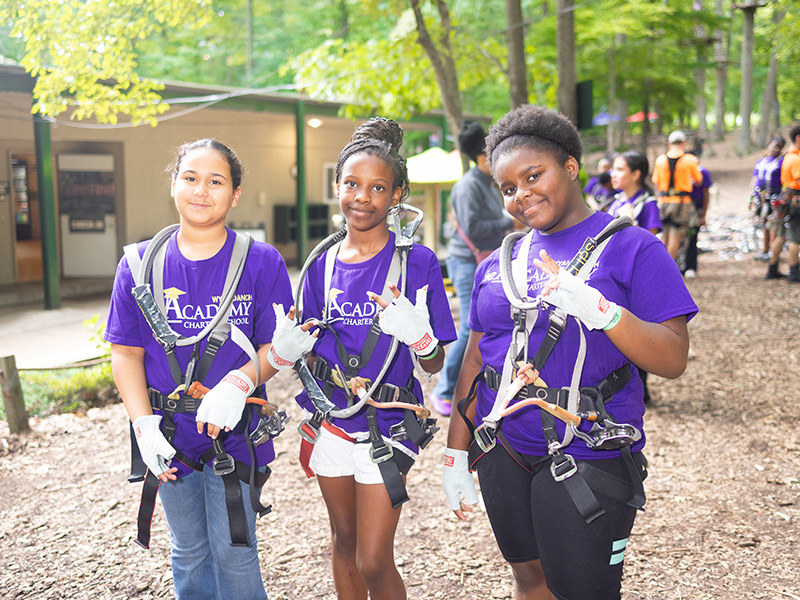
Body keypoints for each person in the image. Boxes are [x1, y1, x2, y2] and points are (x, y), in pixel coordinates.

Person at [442, 105, 697, 600]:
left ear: (571, 167)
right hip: (504, 448)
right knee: (529, 581)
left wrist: (604, 313)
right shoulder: (502, 260)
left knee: (582, 591)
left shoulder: (633, 248)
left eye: (534, 175)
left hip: (590, 447)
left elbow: (672, 359)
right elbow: (476, 361)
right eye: (508, 187)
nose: (522, 195)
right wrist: (456, 450)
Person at [271, 117, 456, 600]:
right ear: (337, 187)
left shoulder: (417, 262)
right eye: (352, 184)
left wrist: (420, 340)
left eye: (377, 187)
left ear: (397, 195)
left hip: (390, 425)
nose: (362, 196)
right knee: (344, 541)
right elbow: (306, 348)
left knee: (373, 559)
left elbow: (436, 365)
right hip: (332, 420)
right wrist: (290, 351)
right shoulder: (320, 263)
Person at [104, 139, 293, 599]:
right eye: (190, 178)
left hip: (236, 429)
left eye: (216, 181)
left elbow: (281, 346)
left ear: (236, 194)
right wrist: (144, 426)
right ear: (173, 185)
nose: (201, 190)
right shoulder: (137, 265)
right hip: (169, 433)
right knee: (188, 551)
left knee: (235, 550)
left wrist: (239, 380)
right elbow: (126, 352)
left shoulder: (260, 261)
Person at [430, 121, 514, 416]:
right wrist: (509, 223)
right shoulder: (468, 186)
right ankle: (443, 390)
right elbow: (473, 229)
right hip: (467, 262)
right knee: (469, 327)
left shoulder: (486, 183)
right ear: (482, 156)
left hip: (484, 259)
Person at [651, 130, 703, 264]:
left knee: (664, 233)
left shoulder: (660, 160)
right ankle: (669, 266)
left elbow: (656, 181)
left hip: (663, 201)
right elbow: (699, 181)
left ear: (669, 143)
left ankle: (659, 263)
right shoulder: (689, 160)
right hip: (681, 201)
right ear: (683, 143)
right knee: (675, 233)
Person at [607, 150, 662, 235]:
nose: (613, 174)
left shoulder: (648, 204)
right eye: (613, 169)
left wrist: (631, 221)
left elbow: (650, 244)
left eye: (619, 169)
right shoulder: (616, 200)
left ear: (635, 175)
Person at [771, 123, 800, 282]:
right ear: (798, 138)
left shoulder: (787, 157)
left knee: (781, 235)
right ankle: (794, 271)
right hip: (795, 201)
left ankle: (772, 268)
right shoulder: (796, 159)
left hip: (785, 199)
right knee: (795, 237)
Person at [750, 137, 785, 262]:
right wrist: (751, 197)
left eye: (779, 146)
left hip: (774, 197)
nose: (776, 149)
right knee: (763, 223)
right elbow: (754, 179)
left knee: (773, 224)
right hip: (761, 197)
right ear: (769, 145)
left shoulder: (781, 162)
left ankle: (773, 251)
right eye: (774, 145)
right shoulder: (761, 161)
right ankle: (764, 250)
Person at [683, 152, 712, 278]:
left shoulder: (702, 172)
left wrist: (703, 215)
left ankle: (691, 266)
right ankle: (679, 265)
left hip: (696, 208)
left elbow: (706, 194)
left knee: (693, 237)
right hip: (681, 207)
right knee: (679, 238)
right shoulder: (681, 172)